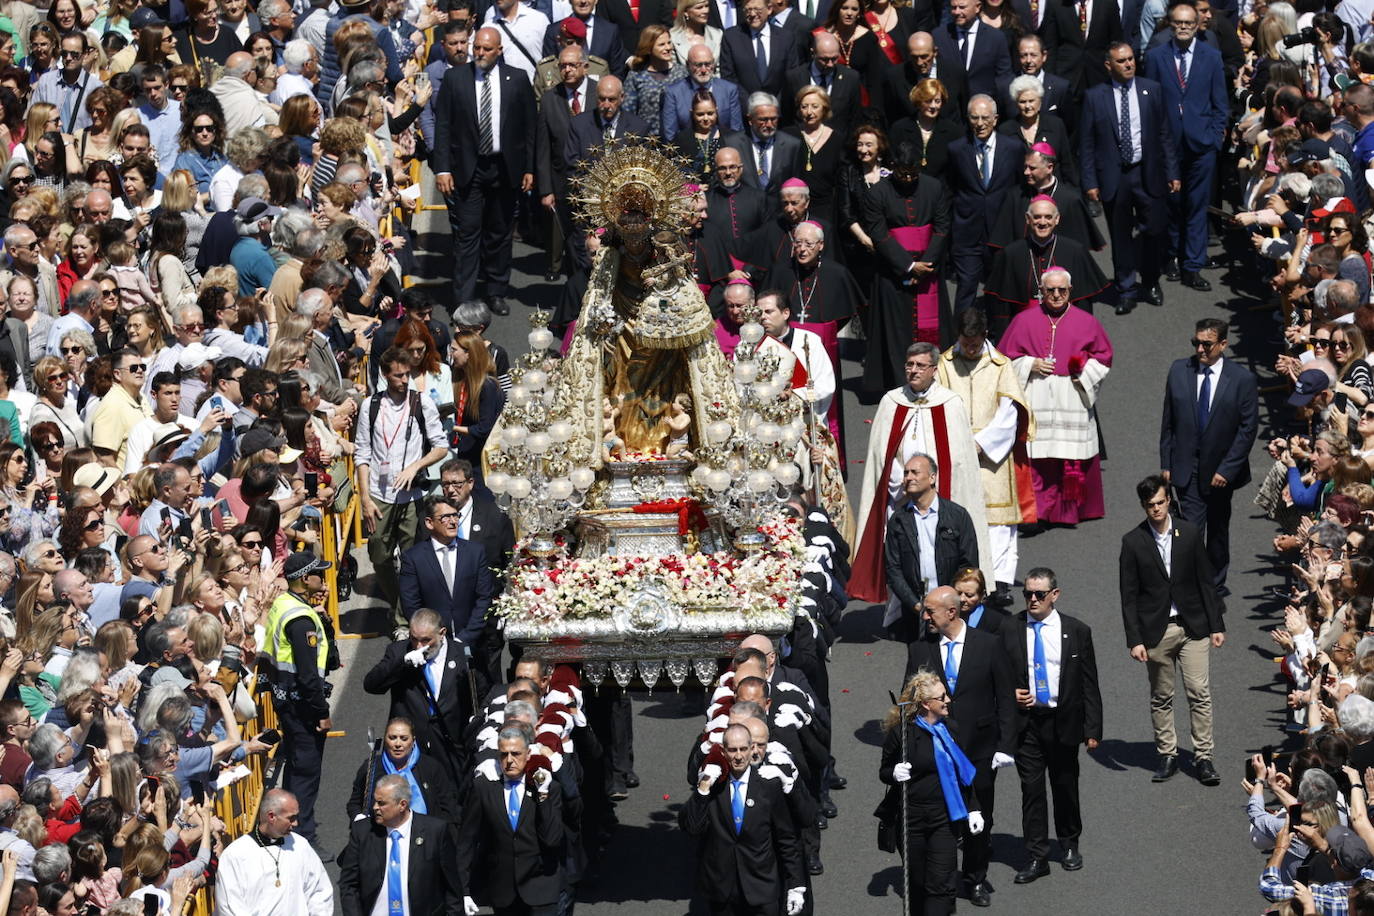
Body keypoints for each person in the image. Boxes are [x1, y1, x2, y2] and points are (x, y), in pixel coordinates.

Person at [851, 342, 992, 604]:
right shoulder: (891, 401)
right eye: (910, 365)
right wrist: (901, 480)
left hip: (938, 497)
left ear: (934, 369)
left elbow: (959, 461)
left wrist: (929, 481)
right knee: (901, 553)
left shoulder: (950, 403)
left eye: (920, 365)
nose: (914, 370)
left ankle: (947, 602)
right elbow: (880, 455)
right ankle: (901, 609)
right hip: (900, 494)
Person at [1119, 475, 1226, 786]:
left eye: (1161, 502)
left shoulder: (1189, 533)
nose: (1156, 509)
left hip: (1194, 626)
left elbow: (1206, 581)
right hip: (1157, 631)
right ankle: (1167, 754)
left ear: (1168, 501)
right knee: (1162, 695)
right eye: (1150, 505)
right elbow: (1128, 595)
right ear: (1143, 506)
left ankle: (1204, 757)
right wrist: (1134, 639)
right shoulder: (1132, 542)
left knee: (1199, 693)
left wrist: (1216, 624)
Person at [999, 567, 1102, 884]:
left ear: (1054, 595)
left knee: (1065, 785)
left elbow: (1089, 683)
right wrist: (1010, 693)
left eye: (1038, 594)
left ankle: (1069, 844)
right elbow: (998, 674)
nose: (1032, 599)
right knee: (1031, 791)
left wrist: (1092, 730)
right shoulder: (1009, 628)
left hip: (1063, 721)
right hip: (1027, 725)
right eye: (1027, 593)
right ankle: (1037, 855)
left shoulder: (1076, 630)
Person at [432, 27, 537, 317]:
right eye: (476, 47)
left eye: (486, 49)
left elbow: (530, 127)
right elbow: (443, 126)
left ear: (499, 50)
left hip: (505, 167)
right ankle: (463, 298)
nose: (479, 53)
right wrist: (442, 168)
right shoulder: (455, 78)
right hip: (469, 167)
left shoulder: (517, 79)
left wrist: (529, 167)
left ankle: (496, 290)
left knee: (500, 233)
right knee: (468, 233)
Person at [998, 267, 1113, 527]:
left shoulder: (1087, 322)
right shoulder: (1023, 320)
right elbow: (1004, 359)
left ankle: (1067, 511)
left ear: (1070, 291)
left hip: (1071, 394)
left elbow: (1103, 358)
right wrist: (1029, 364)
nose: (1057, 294)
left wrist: (1081, 376)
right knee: (1037, 458)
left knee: (1067, 458)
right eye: (1051, 290)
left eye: (1062, 290)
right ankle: (1036, 511)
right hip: (1036, 393)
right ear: (1041, 291)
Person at [937, 308, 1034, 604]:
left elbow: (1009, 413)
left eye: (976, 344)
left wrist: (980, 444)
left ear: (985, 336)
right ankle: (962, 578)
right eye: (966, 343)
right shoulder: (944, 364)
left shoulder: (1000, 366)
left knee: (999, 520)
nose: (970, 349)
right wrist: (957, 444)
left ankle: (1001, 581)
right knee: (958, 518)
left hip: (992, 456)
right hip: (954, 452)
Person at [1159, 318, 1259, 596]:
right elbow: (1169, 420)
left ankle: (1215, 583)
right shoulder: (1179, 370)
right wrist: (1166, 463)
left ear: (1223, 344)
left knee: (1216, 530)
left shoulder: (1241, 379)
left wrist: (1227, 469)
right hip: (1186, 466)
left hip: (1220, 472)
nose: (1200, 349)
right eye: (1196, 343)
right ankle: (1190, 587)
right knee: (1189, 530)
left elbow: (1247, 430)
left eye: (1207, 344)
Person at [354, 347, 447, 635]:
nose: (404, 380)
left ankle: (402, 621)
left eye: (407, 374)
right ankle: (401, 603)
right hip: (380, 494)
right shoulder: (370, 406)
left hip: (412, 496)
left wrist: (415, 466)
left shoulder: (422, 404)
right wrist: (365, 498)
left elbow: (441, 445)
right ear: (384, 375)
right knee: (379, 554)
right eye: (398, 375)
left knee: (410, 558)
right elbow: (362, 453)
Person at [1079, 42, 1175, 314]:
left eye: (1131, 59)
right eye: (1121, 61)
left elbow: (1164, 134)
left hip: (1147, 171)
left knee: (1154, 230)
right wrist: (1090, 182)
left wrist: (1172, 172)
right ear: (1109, 65)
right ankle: (1126, 288)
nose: (1129, 64)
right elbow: (1086, 143)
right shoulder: (1095, 96)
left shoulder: (1151, 90)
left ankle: (1151, 280)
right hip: (1115, 175)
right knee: (1120, 235)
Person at [880, 667, 986, 913]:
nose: (948, 700)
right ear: (926, 704)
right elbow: (884, 771)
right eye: (941, 697)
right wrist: (895, 773)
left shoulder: (952, 729)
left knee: (943, 884)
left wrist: (974, 809)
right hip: (911, 819)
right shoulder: (902, 735)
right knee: (918, 884)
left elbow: (963, 774)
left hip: (944, 818)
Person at [1142, 1, 1226, 292]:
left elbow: (1220, 104)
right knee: (1171, 203)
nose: (1183, 28)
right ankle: (1171, 258)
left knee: (1197, 205)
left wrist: (1215, 138)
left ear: (1197, 25)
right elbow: (1149, 102)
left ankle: (1193, 264)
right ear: (1170, 23)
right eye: (1178, 23)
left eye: (1189, 23)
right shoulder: (1155, 57)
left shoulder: (1211, 57)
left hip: (1202, 143)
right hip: (1167, 144)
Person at [681, 722, 807, 916]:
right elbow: (692, 828)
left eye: (743, 749)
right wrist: (703, 790)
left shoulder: (768, 785)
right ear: (723, 751)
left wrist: (796, 886)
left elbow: (786, 838)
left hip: (761, 887)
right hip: (722, 889)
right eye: (732, 750)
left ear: (751, 750)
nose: (738, 756)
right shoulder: (714, 786)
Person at [261, 551, 336, 857]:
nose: (323, 577)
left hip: (286, 703)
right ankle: (303, 837)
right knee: (306, 774)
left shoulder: (284, 604)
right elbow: (308, 676)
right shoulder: (301, 619)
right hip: (303, 708)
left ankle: (293, 827)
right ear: (306, 578)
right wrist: (322, 712)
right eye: (318, 572)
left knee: (295, 770)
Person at [858, 151, 949, 392]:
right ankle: (901, 384)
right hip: (893, 272)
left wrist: (926, 264)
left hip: (929, 269)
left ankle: (935, 382)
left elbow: (942, 227)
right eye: (902, 174)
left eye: (913, 174)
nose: (908, 179)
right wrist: (908, 266)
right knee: (897, 330)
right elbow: (879, 233)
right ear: (892, 167)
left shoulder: (934, 187)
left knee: (933, 329)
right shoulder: (878, 192)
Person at [456, 726, 565, 916]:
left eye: (516, 754)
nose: (509, 760)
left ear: (529, 753)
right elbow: (467, 840)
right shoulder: (484, 788)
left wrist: (543, 795)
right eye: (504, 754)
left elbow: (552, 838)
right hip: (503, 891)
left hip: (541, 887)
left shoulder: (547, 788)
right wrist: (463, 890)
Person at [338, 773, 466, 916]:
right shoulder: (362, 831)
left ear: (402, 805)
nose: (375, 807)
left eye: (382, 803)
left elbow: (453, 888)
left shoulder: (435, 832)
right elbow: (349, 885)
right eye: (375, 801)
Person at [884, 454, 980, 640]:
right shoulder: (898, 520)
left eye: (915, 472)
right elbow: (893, 569)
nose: (908, 477)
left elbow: (969, 564)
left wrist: (954, 600)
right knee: (920, 664)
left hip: (952, 609)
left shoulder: (957, 516)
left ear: (932, 477)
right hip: (916, 612)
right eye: (906, 473)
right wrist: (916, 605)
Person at [946, 95, 1026, 314]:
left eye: (984, 117)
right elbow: (951, 188)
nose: (980, 123)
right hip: (967, 233)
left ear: (996, 119)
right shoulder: (956, 149)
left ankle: (1000, 339)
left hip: (1001, 235)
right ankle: (961, 342)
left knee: (1000, 292)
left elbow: (1020, 189)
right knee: (966, 289)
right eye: (974, 118)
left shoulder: (1013, 148)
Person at [214, 789, 334, 916]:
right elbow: (231, 907)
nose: (296, 823)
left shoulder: (300, 845)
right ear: (271, 816)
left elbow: (319, 891)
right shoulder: (235, 855)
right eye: (291, 818)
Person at [719, 0, 803, 97]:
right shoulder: (731, 37)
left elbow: (791, 76)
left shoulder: (786, 38)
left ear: (769, 9)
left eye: (757, 9)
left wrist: (775, 105)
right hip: (745, 107)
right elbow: (728, 77)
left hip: (779, 107)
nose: (752, 14)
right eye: (748, 10)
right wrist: (750, 105)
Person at [931, 0, 1011, 100]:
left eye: (962, 7)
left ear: (977, 7)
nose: (956, 12)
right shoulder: (939, 36)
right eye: (953, 8)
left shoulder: (995, 38)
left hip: (983, 109)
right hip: (950, 108)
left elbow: (1003, 77)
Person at [88, 349, 150, 469]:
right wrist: (123, 486)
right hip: (130, 484)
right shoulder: (111, 405)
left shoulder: (142, 397)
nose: (140, 370)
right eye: (133, 368)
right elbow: (104, 458)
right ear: (117, 374)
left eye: (142, 366)